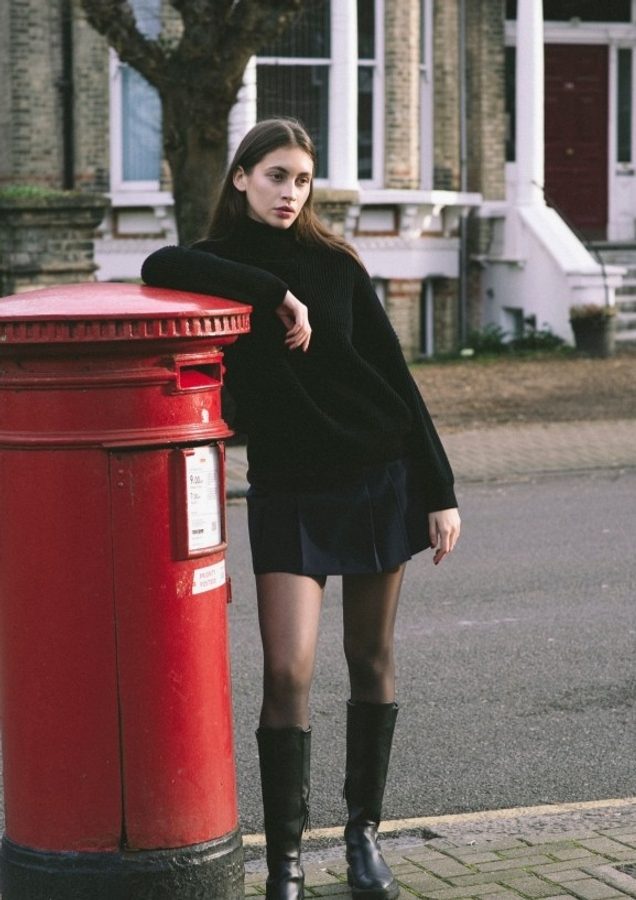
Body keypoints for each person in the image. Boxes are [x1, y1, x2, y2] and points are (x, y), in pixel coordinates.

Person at [142, 118, 460, 900]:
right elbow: (157, 262)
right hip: (287, 486)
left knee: (370, 658)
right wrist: (274, 293)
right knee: (287, 671)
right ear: (241, 178)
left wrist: (442, 492)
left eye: (302, 180)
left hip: (376, 471)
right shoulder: (215, 266)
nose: (291, 193)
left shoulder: (337, 265)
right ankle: (284, 859)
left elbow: (395, 377)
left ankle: (362, 838)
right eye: (276, 175)